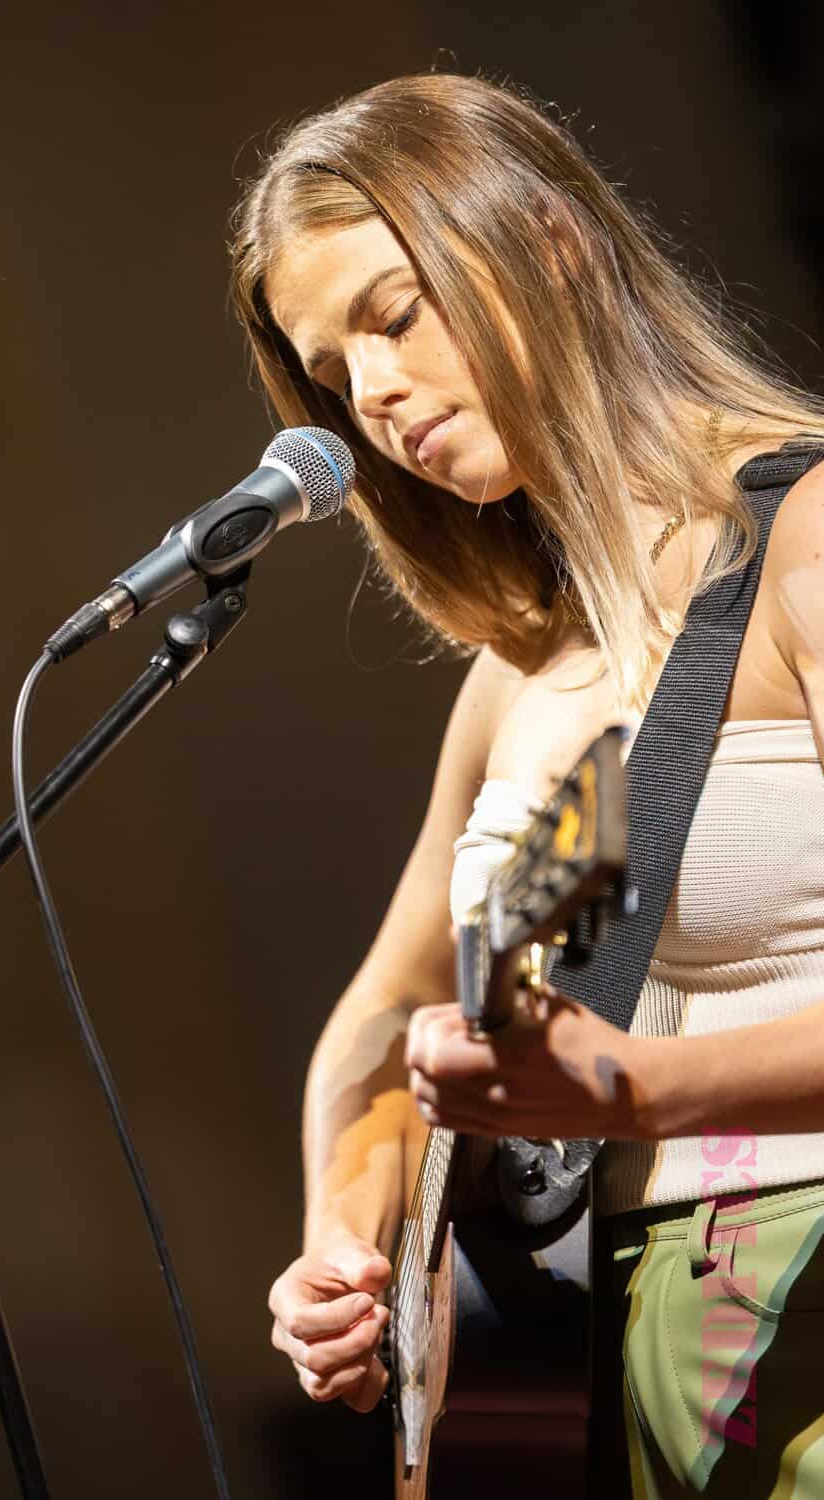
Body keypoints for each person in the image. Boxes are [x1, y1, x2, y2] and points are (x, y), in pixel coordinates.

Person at [229, 72, 824, 1495]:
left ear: (551, 242)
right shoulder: (521, 675)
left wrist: (642, 1087)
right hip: (609, 1358)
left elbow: (607, 1081)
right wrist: (344, 1235)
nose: (372, 396)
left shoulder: (806, 540)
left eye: (393, 315)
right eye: (332, 379)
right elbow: (384, 1016)